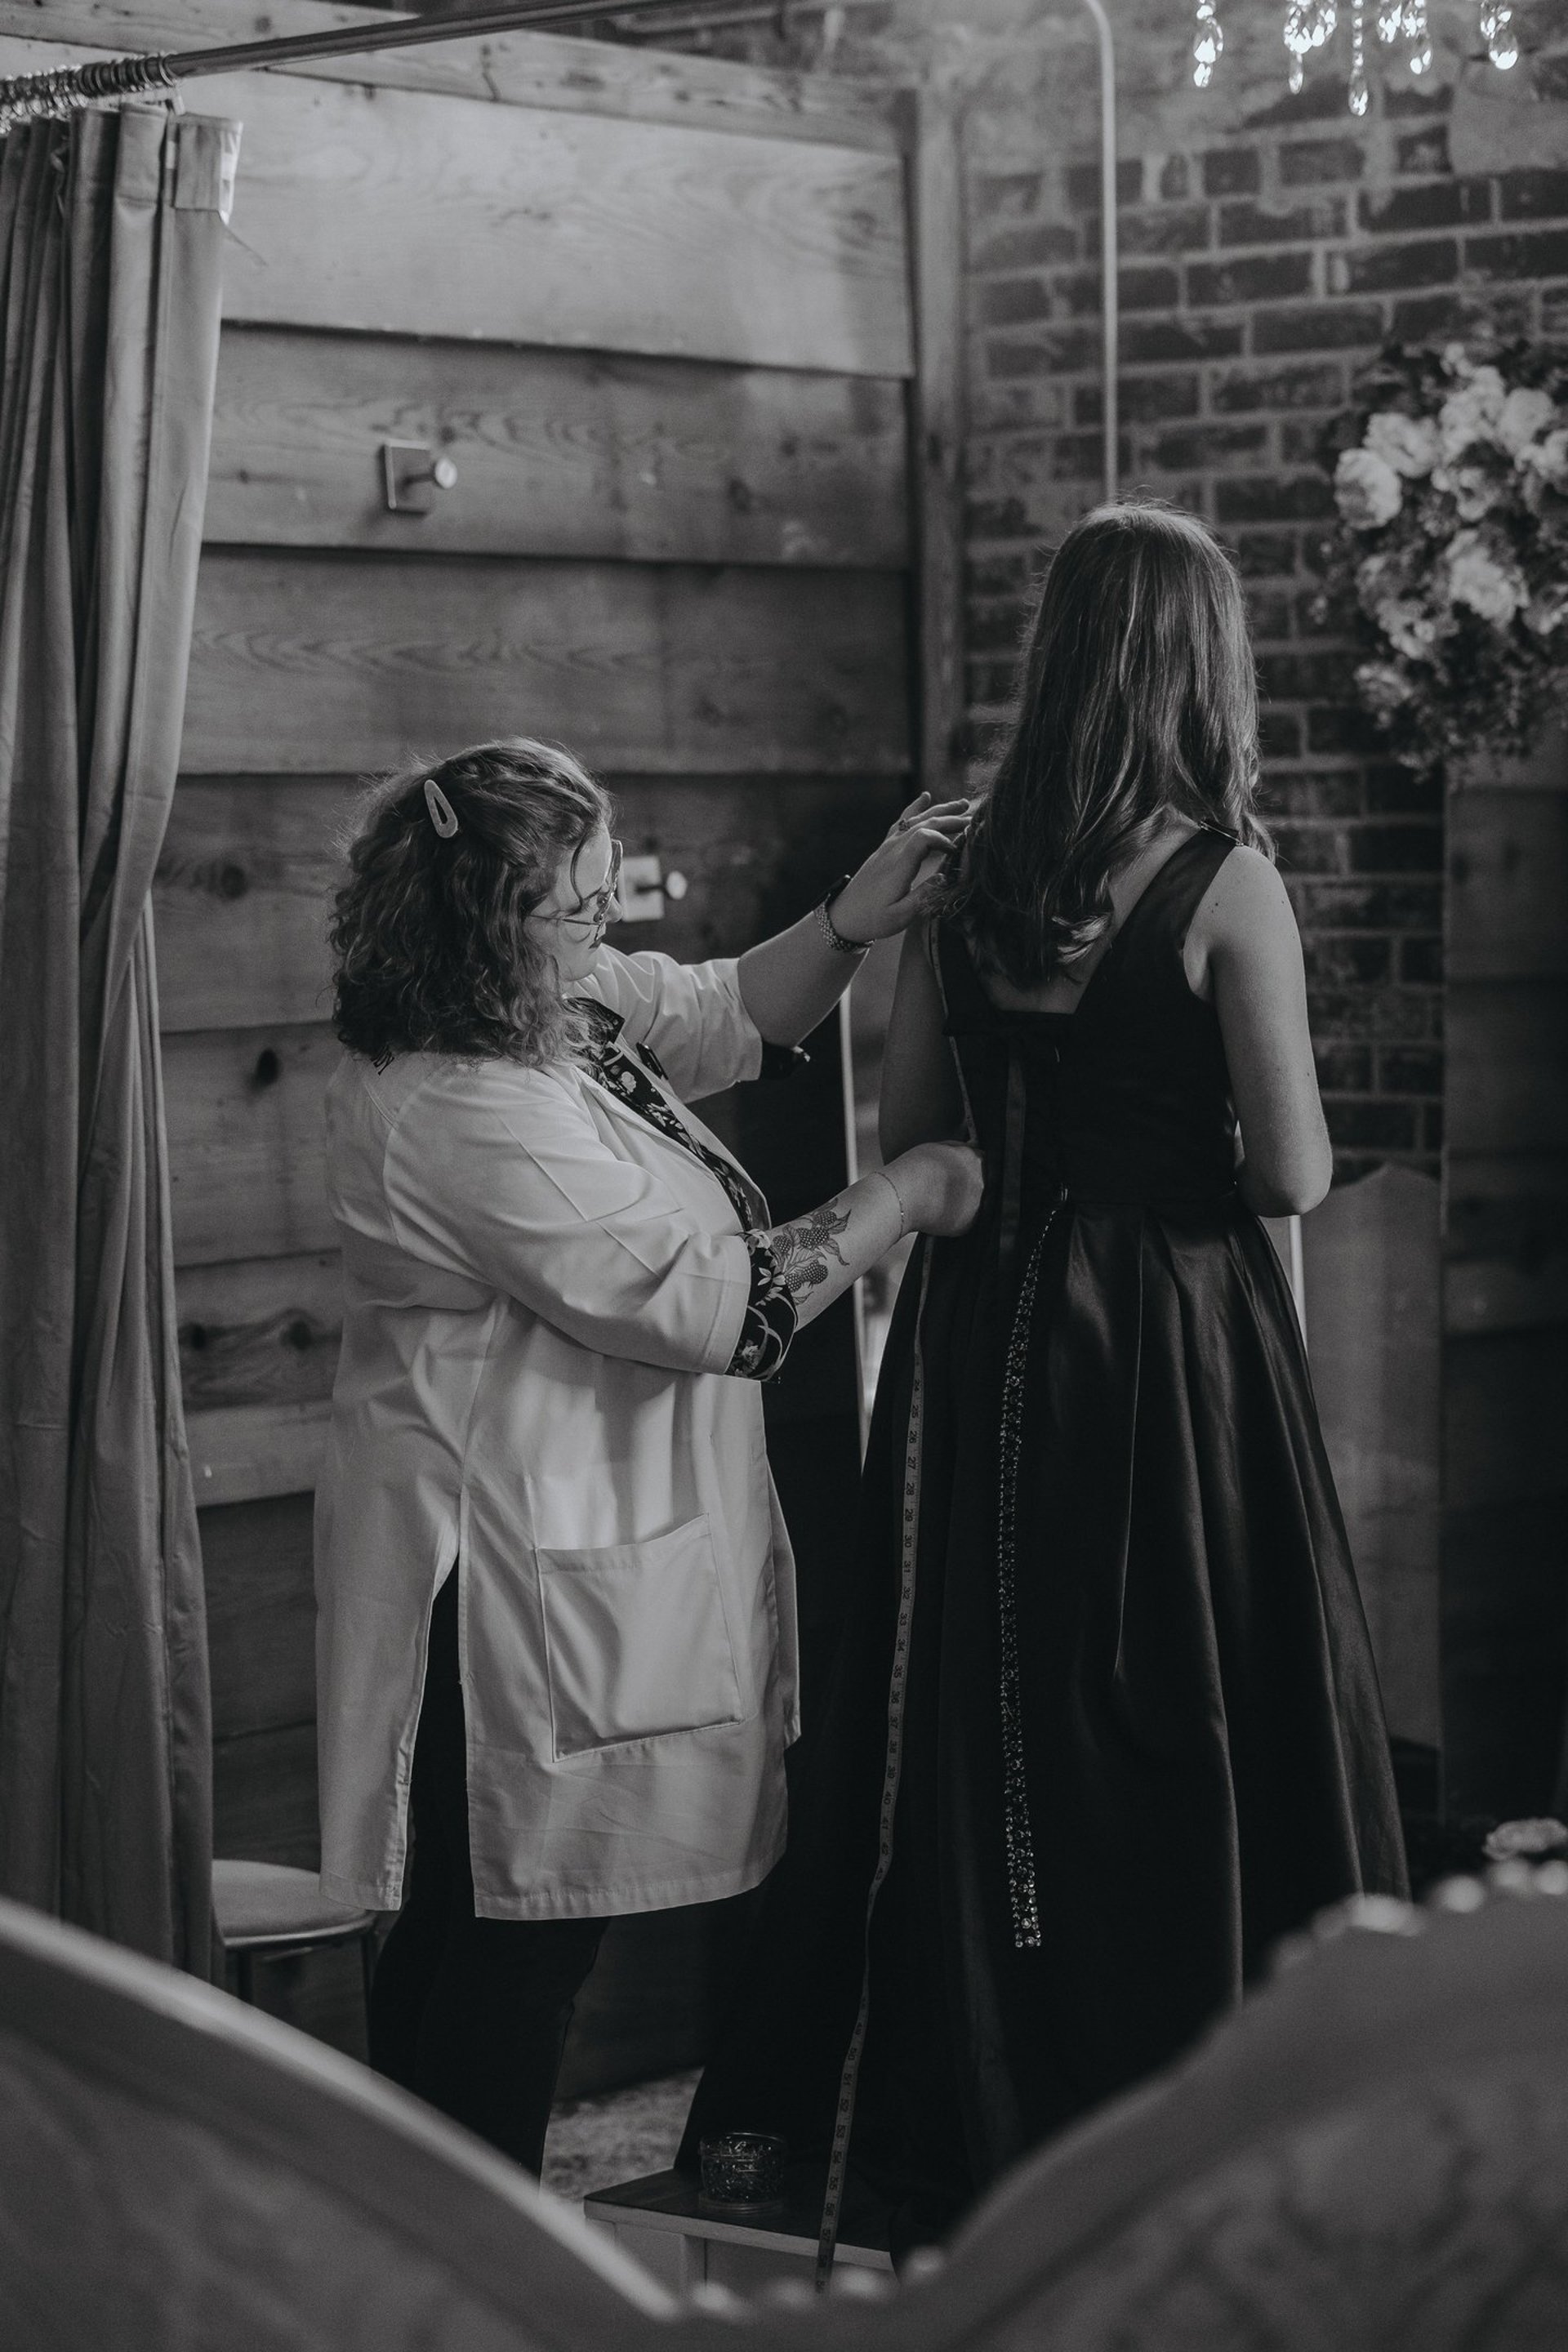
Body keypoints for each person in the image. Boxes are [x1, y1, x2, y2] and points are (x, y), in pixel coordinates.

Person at [683, 503, 1410, 2253]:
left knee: (987, 1705)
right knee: (1178, 1697)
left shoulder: (969, 871)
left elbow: (923, 1133)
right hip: (1167, 1334)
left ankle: (994, 2080)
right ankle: (1205, 2086)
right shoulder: (1225, 881)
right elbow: (1295, 1175)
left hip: (985, 1325)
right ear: (1201, 663)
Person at [313, 737, 982, 2173]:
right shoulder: (461, 1102)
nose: (602, 932)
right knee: (504, 1946)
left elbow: (726, 1010)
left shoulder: (553, 1009)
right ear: (483, 921)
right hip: (487, 1578)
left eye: (605, 898)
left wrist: (855, 919)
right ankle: (458, 2267)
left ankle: (413, 2255)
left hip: (558, 1533)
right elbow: (723, 1307)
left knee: (484, 1935)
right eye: (576, 907)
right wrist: (907, 1191)